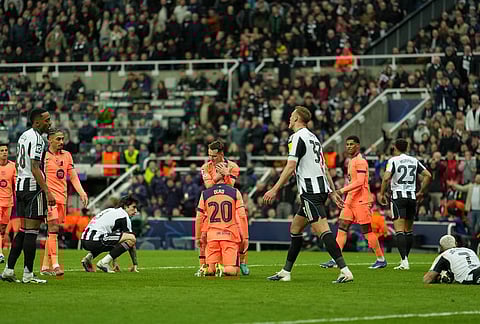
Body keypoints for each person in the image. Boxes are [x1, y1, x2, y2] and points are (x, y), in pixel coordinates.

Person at [263, 106, 354, 283]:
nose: (289, 119)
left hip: (311, 192)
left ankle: (345, 271)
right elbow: (324, 167)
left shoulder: (297, 138)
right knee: (295, 228)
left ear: (297, 118)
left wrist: (274, 189)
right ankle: (285, 272)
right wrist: (332, 190)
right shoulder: (314, 138)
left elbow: (290, 167)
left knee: (323, 231)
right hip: (319, 190)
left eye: (291, 116)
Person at [2, 108, 54, 284]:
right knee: (32, 232)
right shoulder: (38, 139)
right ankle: (28, 274)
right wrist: (47, 190)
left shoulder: (23, 136)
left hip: (21, 186)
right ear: (37, 122)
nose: (50, 123)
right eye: (46, 120)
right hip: (33, 188)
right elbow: (34, 167)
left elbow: (18, 163)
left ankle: (9, 270)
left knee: (23, 231)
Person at [320, 136, 386, 269]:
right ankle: (335, 259)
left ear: (358, 145)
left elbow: (360, 182)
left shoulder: (360, 161)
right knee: (342, 226)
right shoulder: (351, 161)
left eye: (352, 144)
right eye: (347, 144)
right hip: (351, 199)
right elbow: (352, 181)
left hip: (361, 200)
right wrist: (345, 197)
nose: (349, 146)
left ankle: (380, 259)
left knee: (366, 230)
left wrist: (341, 191)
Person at [195, 140, 248, 275]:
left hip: (230, 203)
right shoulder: (205, 167)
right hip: (211, 203)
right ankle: (205, 266)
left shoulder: (233, 166)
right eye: (209, 155)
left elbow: (230, 187)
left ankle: (242, 261)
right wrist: (220, 175)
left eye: (213, 156)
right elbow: (208, 187)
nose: (211, 159)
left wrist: (227, 174)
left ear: (221, 154)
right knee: (203, 234)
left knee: (240, 231)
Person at [40, 128, 89, 276]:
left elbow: (73, 177)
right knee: (53, 227)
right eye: (58, 139)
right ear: (50, 140)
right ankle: (55, 264)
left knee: (53, 231)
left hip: (62, 198)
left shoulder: (67, 155)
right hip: (49, 198)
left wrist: (81, 192)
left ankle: (44, 267)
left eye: (62, 139)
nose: (61, 142)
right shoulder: (43, 156)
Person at [379, 138, 432, 270]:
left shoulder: (393, 160)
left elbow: (386, 178)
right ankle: (406, 259)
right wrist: (421, 191)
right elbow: (428, 175)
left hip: (398, 197)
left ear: (395, 148)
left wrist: (381, 193)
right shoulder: (414, 160)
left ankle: (404, 261)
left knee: (399, 230)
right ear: (407, 148)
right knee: (408, 230)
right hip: (412, 197)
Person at [195, 180, 248, 276]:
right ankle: (222, 269)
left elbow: (199, 217)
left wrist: (197, 237)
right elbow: (242, 216)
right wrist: (246, 237)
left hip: (212, 237)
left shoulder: (205, 194)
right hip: (229, 236)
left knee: (211, 268)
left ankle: (206, 269)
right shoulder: (234, 192)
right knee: (233, 269)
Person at [80, 195, 139, 273]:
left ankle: (88, 259)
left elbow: (116, 241)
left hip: (85, 240)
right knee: (131, 238)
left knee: (114, 239)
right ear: (125, 206)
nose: (136, 211)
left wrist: (115, 262)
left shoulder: (110, 210)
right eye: (133, 207)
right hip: (96, 240)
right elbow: (131, 241)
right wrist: (135, 264)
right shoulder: (124, 216)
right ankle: (103, 262)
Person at [0, 143, 16, 263]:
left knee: (3, 227)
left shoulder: (12, 166)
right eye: (1, 151)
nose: (4, 152)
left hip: (8, 202)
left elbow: (15, 184)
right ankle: (0, 253)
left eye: (5, 150)